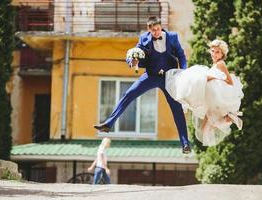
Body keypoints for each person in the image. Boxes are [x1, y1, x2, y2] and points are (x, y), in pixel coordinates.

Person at [94, 16, 191, 154]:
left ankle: (185, 144)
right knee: (128, 94)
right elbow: (133, 54)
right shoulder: (143, 39)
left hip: (169, 78)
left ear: (160, 26)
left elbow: (181, 56)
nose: (156, 32)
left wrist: (184, 72)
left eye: (158, 29)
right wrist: (132, 62)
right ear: (149, 29)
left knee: (177, 109)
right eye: (153, 30)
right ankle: (108, 124)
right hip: (151, 76)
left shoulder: (172, 37)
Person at [166, 39, 244, 146]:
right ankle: (229, 119)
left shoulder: (221, 64)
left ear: (222, 54)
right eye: (213, 51)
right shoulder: (214, 64)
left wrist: (214, 78)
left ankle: (230, 118)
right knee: (204, 129)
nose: (214, 54)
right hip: (208, 97)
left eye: (217, 52)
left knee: (196, 75)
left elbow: (229, 81)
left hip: (216, 96)